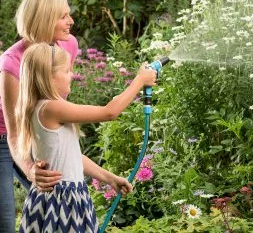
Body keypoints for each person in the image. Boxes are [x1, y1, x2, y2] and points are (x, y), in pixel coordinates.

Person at [16, 43, 156, 232]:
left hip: (62, 198)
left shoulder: (43, 108)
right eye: (67, 71)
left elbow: (73, 157)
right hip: (62, 201)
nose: (72, 75)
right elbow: (109, 112)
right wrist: (140, 80)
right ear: (48, 76)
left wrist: (110, 178)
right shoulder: (51, 108)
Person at [0, 0, 79, 232]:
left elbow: (57, 99)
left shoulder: (67, 46)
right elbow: (14, 132)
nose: (71, 21)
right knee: (4, 221)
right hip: (5, 138)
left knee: (59, 204)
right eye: (63, 16)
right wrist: (30, 168)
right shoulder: (12, 63)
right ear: (44, 18)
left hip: (38, 132)